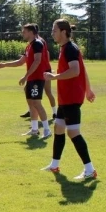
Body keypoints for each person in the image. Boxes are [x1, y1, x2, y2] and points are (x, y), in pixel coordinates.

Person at [41, 19, 97, 180]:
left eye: (54, 30)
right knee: (59, 128)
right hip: (65, 98)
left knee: (73, 132)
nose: (52, 33)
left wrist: (54, 76)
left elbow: (75, 71)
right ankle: (54, 164)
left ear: (63, 32)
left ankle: (90, 169)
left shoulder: (70, 49)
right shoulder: (65, 48)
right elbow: (82, 69)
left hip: (72, 97)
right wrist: (88, 89)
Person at [0, 24, 52, 139]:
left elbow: (37, 61)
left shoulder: (37, 43)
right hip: (31, 79)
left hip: (37, 78)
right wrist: (4, 65)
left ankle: (47, 130)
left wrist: (26, 76)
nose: (22, 33)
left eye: (24, 31)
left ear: (31, 32)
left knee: (37, 103)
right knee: (31, 103)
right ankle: (34, 129)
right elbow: (20, 62)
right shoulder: (29, 46)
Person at [19, 30, 57, 121]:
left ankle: (55, 112)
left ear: (32, 32)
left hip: (44, 70)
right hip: (39, 70)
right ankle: (31, 110)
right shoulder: (32, 43)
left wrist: (47, 66)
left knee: (47, 91)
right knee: (27, 89)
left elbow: (46, 53)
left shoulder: (39, 41)